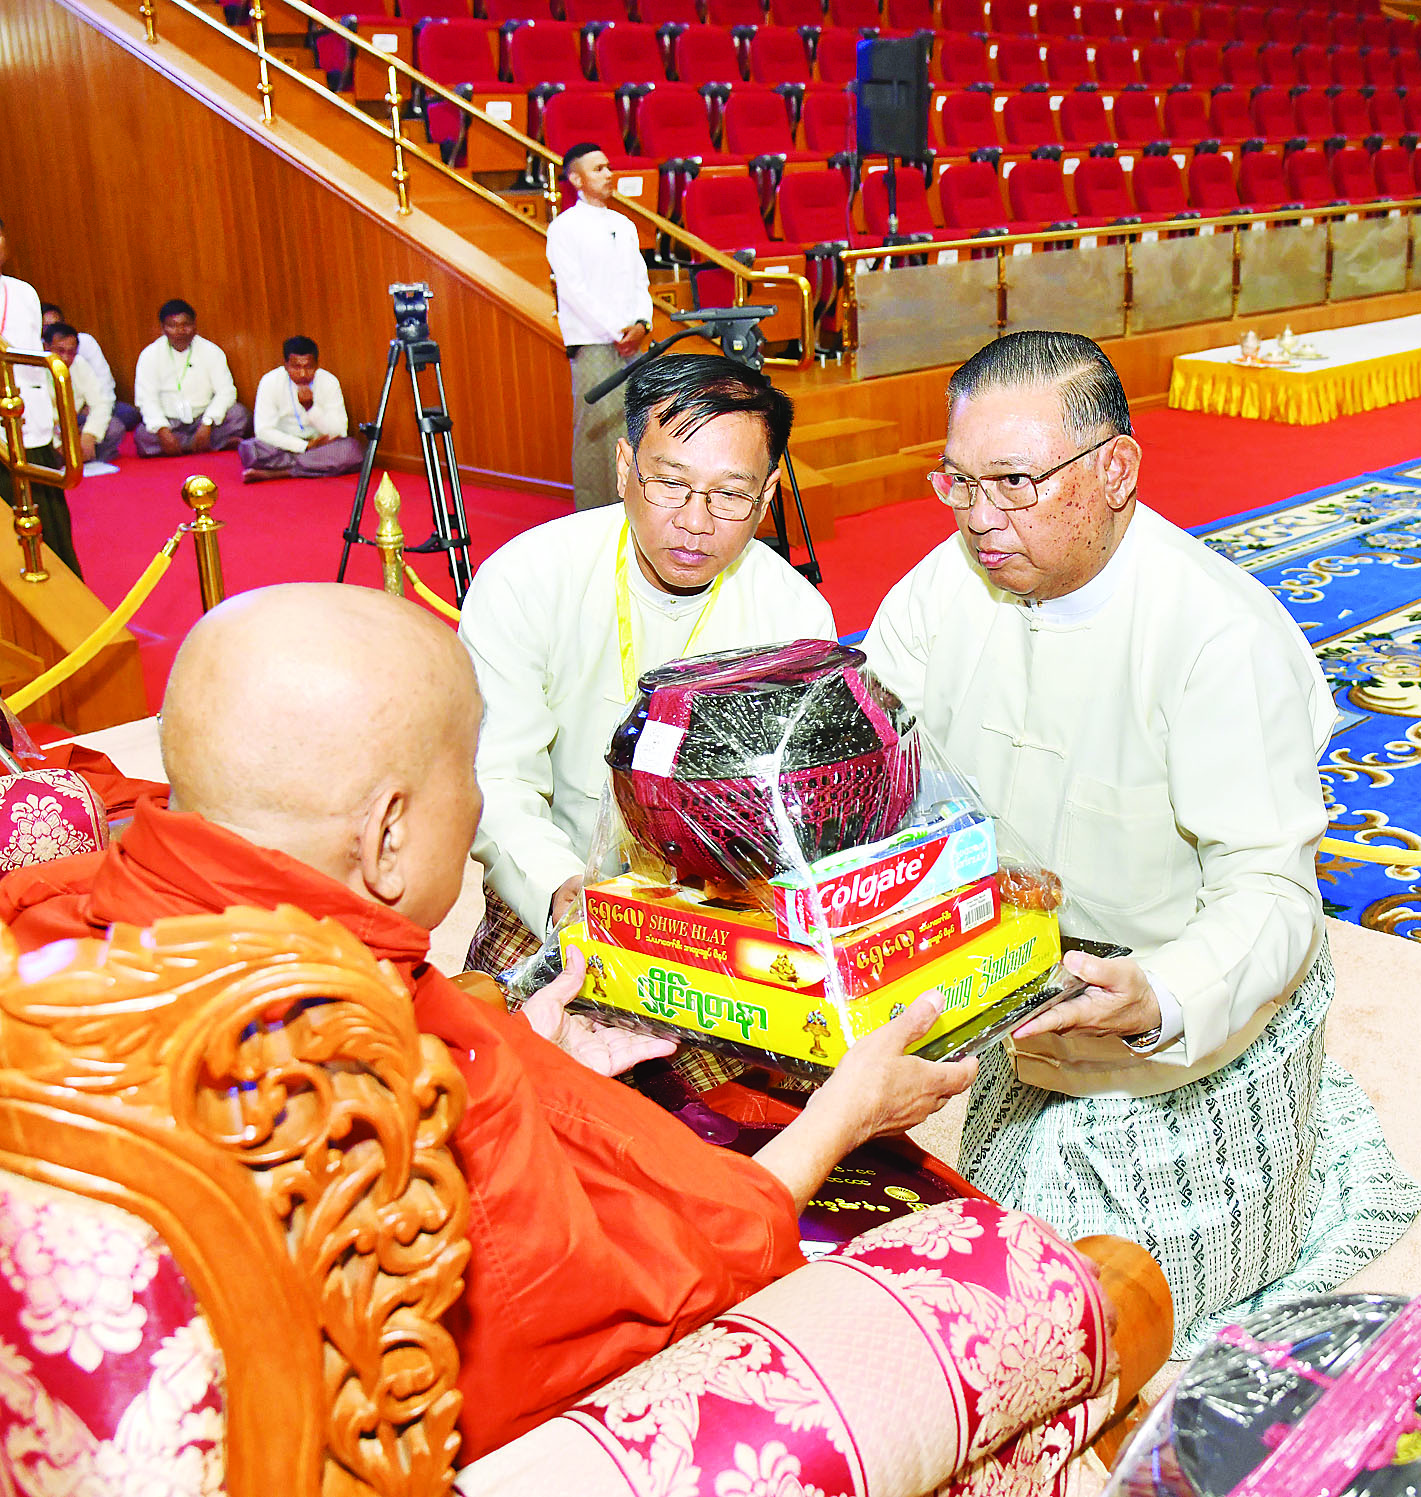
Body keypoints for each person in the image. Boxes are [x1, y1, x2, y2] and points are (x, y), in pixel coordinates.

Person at [0, 582, 980, 1461]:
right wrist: (843, 1115)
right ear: (387, 835)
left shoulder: (44, 912)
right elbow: (675, 1287)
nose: (476, 807)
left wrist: (521, 1041)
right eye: (465, 773)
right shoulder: (389, 1121)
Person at [863, 329, 1421, 1358]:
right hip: (1021, 986)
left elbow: (1270, 892)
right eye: (959, 483)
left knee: (1107, 1304)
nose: (980, 517)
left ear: (1117, 469)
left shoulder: (1218, 636)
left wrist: (1161, 994)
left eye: (1015, 482)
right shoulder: (943, 589)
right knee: (969, 1263)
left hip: (1178, 1003)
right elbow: (876, 765)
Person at [457, 353, 835, 999]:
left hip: (721, 907)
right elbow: (495, 776)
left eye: (730, 494)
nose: (695, 521)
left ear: (768, 494)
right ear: (624, 466)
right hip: (557, 888)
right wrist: (561, 890)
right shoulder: (528, 578)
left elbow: (794, 806)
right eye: (669, 483)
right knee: (500, 1042)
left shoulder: (794, 616)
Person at [545, 141, 653, 511]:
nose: (609, 174)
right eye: (598, 169)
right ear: (576, 179)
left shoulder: (624, 224)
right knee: (596, 429)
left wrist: (642, 323)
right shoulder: (564, 228)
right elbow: (574, 290)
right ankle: (592, 512)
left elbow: (640, 281)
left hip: (631, 341)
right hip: (594, 341)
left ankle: (634, 505)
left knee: (635, 425)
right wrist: (616, 331)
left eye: (608, 167)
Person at [0, 219, 80, 577]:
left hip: (28, 423)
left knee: (50, 523)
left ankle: (69, 595)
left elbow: (35, 360)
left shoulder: (22, 293)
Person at [238, 335, 365, 483]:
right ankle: (306, 466)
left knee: (352, 450)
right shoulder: (270, 381)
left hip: (321, 447)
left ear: (317, 365)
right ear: (286, 365)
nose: (303, 374)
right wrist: (303, 446)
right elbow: (263, 430)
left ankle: (281, 472)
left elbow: (340, 430)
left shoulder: (329, 382)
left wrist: (311, 408)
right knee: (251, 449)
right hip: (283, 445)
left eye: (308, 367)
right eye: (296, 367)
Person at [133, 298, 249, 457]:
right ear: (163, 328)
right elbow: (146, 399)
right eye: (173, 326)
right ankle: (212, 443)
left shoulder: (211, 351)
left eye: (186, 325)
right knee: (143, 435)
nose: (180, 331)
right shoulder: (149, 355)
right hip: (170, 422)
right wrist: (162, 430)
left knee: (240, 414)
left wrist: (208, 423)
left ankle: (186, 445)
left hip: (204, 417)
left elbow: (226, 392)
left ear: (195, 326)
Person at [40, 301, 141, 435]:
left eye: (57, 324)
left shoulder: (82, 347)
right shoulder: (36, 358)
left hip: (85, 408)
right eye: (47, 327)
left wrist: (90, 429)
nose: (65, 357)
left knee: (125, 417)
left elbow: (104, 387)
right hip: (53, 422)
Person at [42, 322, 125, 463]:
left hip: (73, 425)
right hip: (47, 433)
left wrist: (89, 434)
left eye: (71, 352)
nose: (66, 358)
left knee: (114, 427)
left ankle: (87, 458)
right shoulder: (34, 369)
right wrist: (58, 444)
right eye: (60, 351)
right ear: (46, 347)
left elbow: (101, 402)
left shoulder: (79, 363)